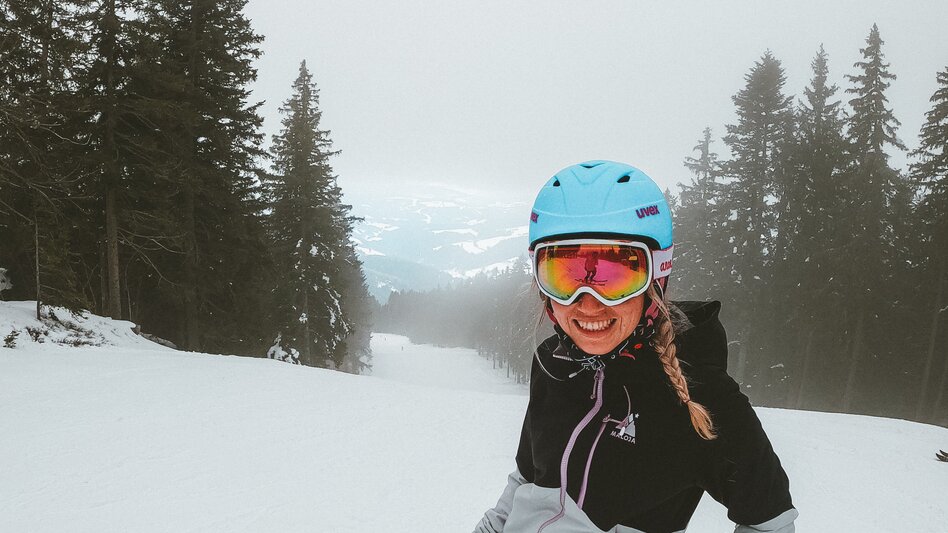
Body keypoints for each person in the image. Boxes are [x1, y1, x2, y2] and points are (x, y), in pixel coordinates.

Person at [473, 161, 797, 533]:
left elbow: (769, 521)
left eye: (615, 274)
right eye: (565, 275)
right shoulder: (552, 361)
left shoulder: (701, 396)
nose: (588, 302)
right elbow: (527, 478)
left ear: (656, 278)